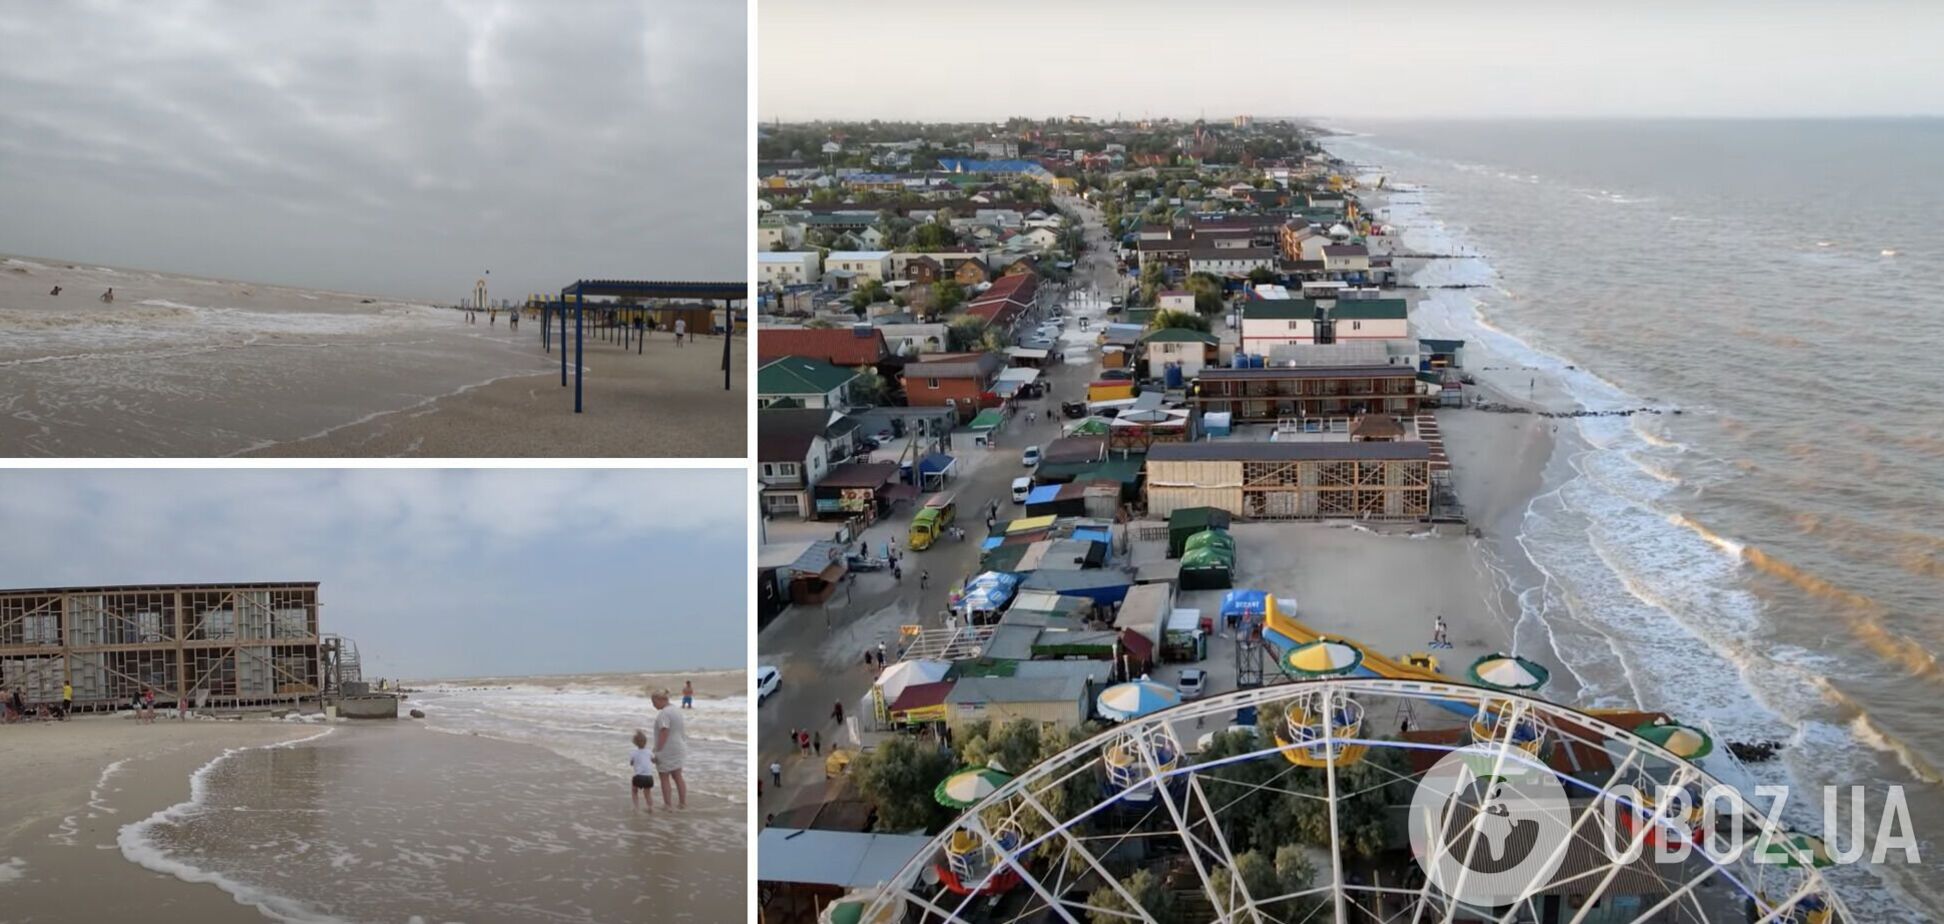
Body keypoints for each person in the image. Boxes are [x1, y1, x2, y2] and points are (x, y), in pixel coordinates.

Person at [649, 690, 688, 809]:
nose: (653, 705)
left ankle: (668, 805)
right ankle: (682, 803)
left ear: (661, 700)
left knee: (664, 776)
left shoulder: (664, 714)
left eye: (654, 702)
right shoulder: (676, 710)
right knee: (678, 776)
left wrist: (657, 750)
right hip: (679, 746)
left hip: (667, 749)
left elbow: (664, 731)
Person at [629, 729, 657, 812]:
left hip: (638, 776)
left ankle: (636, 807)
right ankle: (650, 807)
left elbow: (631, 763)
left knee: (634, 790)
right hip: (649, 777)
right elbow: (654, 761)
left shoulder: (633, 753)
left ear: (635, 743)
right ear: (646, 742)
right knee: (647, 793)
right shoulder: (649, 752)